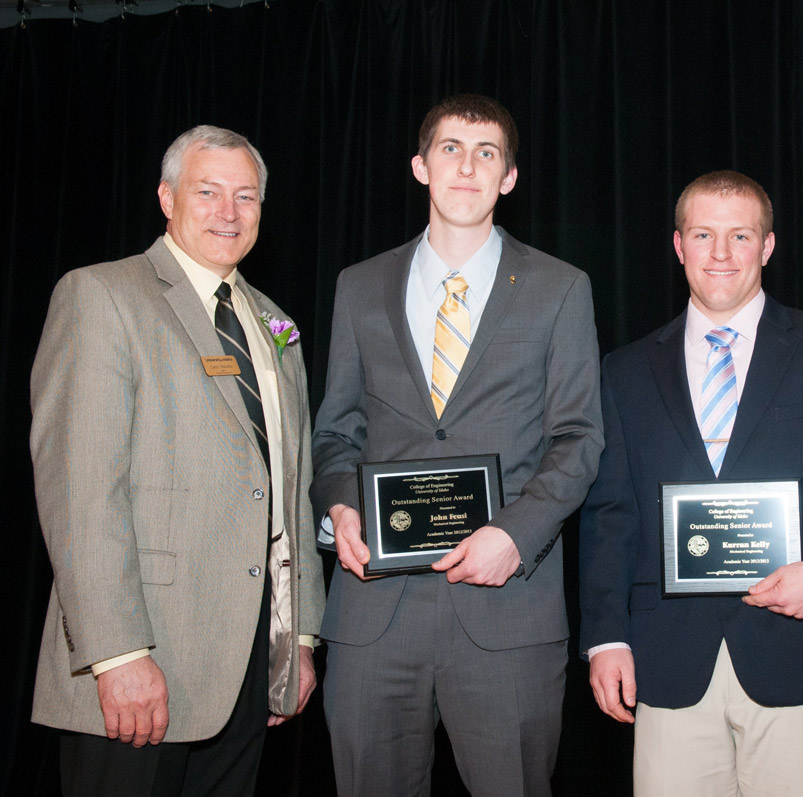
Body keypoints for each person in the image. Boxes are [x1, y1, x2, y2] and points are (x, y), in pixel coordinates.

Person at [311, 94, 603, 796]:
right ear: (420, 166)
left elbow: (579, 437)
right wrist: (343, 512)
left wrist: (515, 533)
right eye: (450, 149)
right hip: (373, 613)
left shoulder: (561, 288)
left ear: (508, 177)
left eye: (486, 153)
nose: (466, 167)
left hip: (509, 610)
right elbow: (336, 431)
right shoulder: (359, 287)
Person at [579, 170, 803, 795]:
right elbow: (610, 512)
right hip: (667, 660)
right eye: (704, 234)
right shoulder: (623, 372)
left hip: (801, 646)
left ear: (769, 245)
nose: (721, 254)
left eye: (740, 235)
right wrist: (606, 637)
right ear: (679, 246)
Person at [30, 125, 325, 795]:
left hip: (250, 671)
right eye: (208, 191)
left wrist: (299, 637)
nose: (229, 212)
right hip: (140, 665)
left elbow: (290, 490)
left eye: (246, 196)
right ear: (167, 198)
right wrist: (117, 653)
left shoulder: (276, 325)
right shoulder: (102, 295)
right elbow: (79, 490)